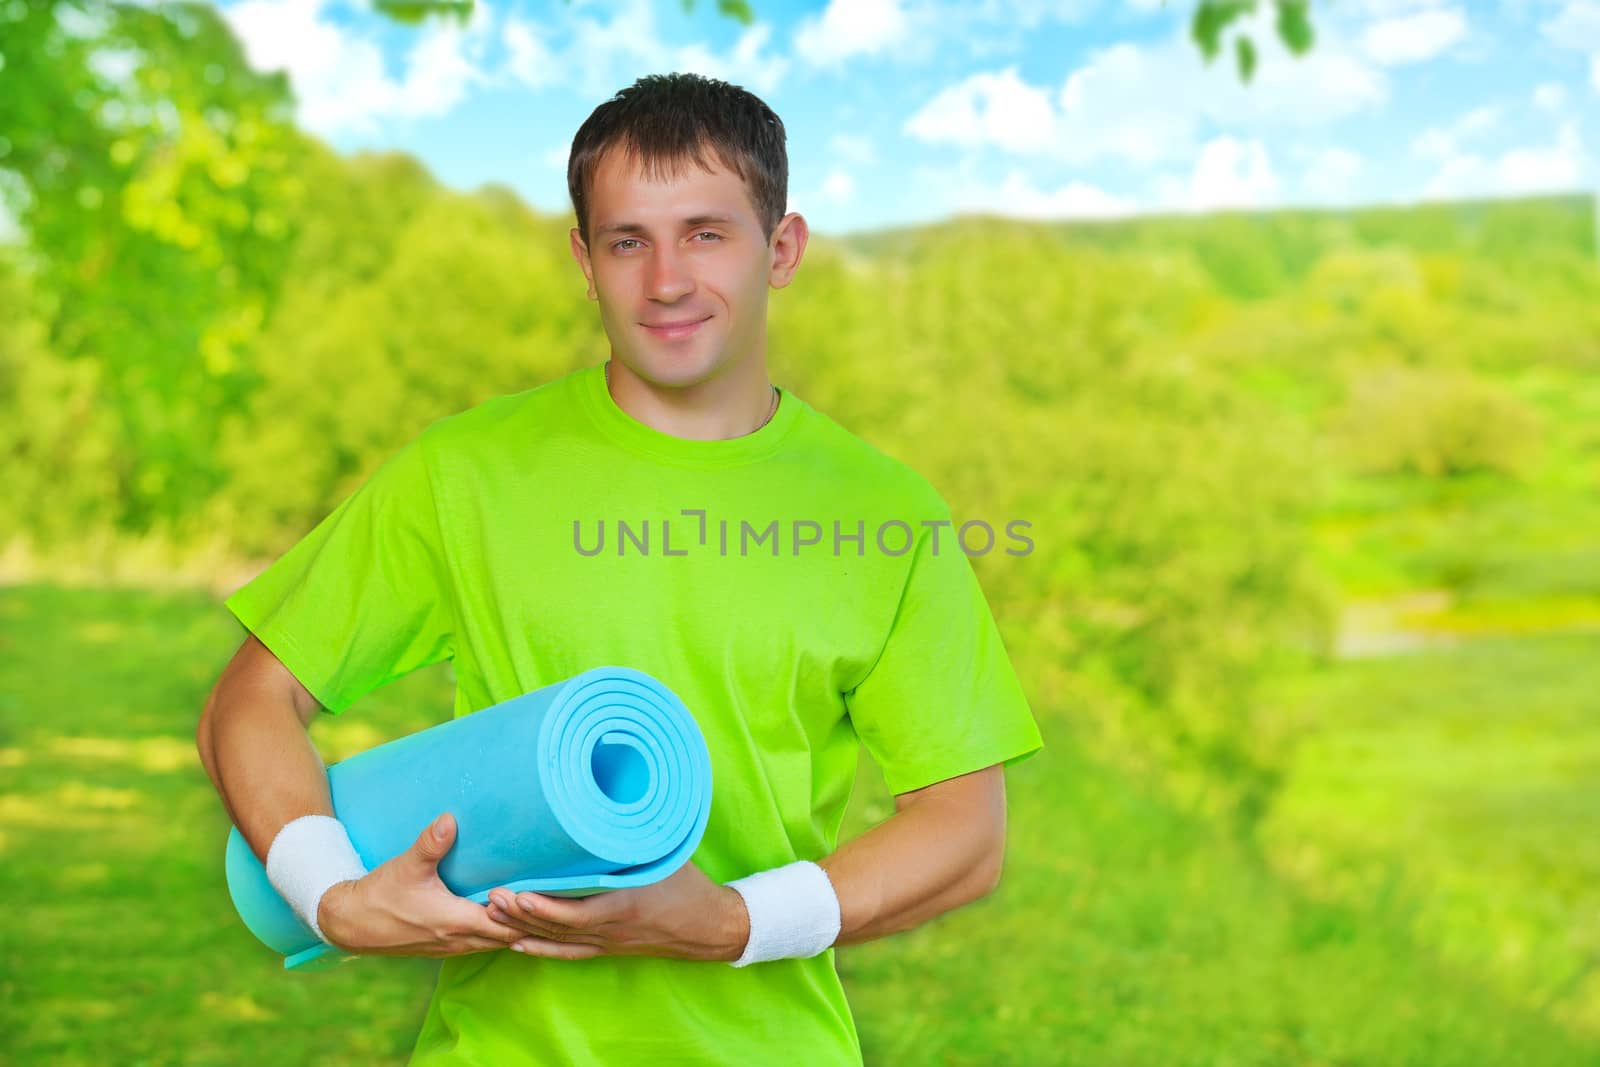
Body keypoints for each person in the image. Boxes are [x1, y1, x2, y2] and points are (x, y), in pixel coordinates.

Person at [196, 71, 1043, 1066]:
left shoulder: (884, 512)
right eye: (626, 239)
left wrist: (729, 919)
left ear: (782, 249)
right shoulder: (468, 471)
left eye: (706, 232)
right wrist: (329, 892)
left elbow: (961, 829)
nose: (666, 279)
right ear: (584, 261)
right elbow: (253, 697)